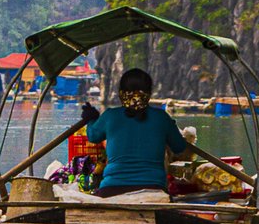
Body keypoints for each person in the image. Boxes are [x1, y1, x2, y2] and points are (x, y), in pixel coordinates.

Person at [79, 68, 187, 196]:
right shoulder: (161, 117)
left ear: (121, 93)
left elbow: (92, 136)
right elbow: (179, 147)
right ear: (149, 93)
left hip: (111, 189)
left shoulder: (110, 116)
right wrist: (169, 127)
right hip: (154, 188)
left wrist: (91, 119)